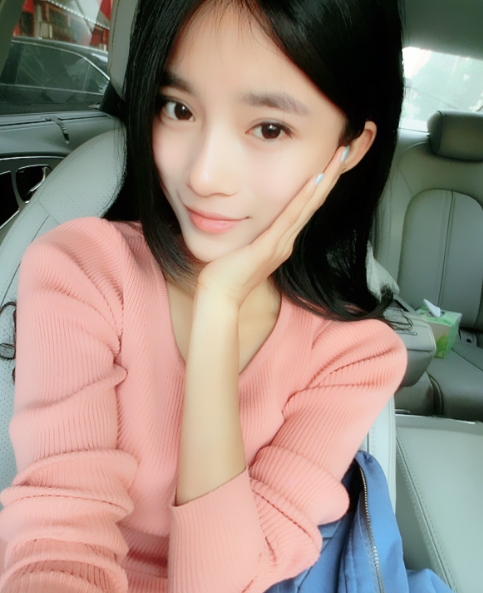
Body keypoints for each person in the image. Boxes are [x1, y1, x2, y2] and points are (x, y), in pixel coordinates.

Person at [0, 0, 407, 591]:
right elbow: (58, 544)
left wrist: (219, 310)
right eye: (179, 108)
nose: (203, 176)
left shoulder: (354, 358)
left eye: (269, 128)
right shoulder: (83, 270)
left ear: (350, 148)